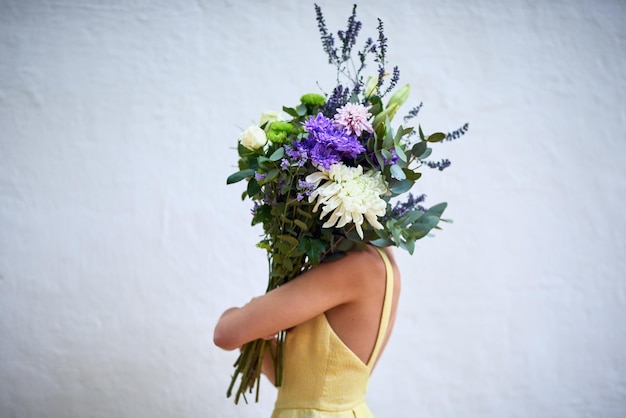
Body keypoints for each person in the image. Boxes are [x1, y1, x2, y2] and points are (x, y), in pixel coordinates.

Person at [214, 243, 401, 417]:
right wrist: (260, 331)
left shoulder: (354, 265)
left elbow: (225, 333)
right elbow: (295, 383)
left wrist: (239, 315)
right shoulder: (384, 262)